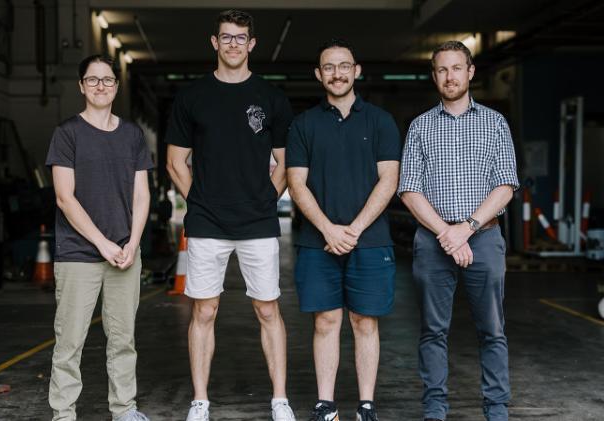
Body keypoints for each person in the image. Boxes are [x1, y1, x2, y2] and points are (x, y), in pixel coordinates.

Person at [165, 9, 296, 421]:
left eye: (241, 38)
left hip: (257, 222)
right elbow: (175, 162)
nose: (233, 44)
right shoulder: (192, 97)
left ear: (252, 44)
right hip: (207, 223)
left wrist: (264, 200)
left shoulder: (272, 98)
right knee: (204, 310)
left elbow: (285, 163)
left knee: (268, 309)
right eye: (227, 37)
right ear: (214, 42)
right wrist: (201, 201)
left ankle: (280, 400)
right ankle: (200, 402)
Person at [398, 40, 519, 421]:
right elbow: (409, 189)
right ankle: (435, 410)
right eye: (442, 70)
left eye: (456, 68)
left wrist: (466, 229)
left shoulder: (495, 123)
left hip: (483, 238)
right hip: (434, 241)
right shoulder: (420, 127)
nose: (449, 76)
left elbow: (506, 186)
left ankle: (496, 409)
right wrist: (447, 236)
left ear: (470, 73)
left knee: (492, 329)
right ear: (434, 76)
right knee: (433, 330)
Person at [286, 38, 401, 421]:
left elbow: (389, 179)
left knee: (364, 321)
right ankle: (326, 404)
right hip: (317, 243)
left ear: (357, 70)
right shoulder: (303, 124)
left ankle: (366, 405)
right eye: (329, 67)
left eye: (344, 66)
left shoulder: (380, 121)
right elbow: (295, 183)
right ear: (319, 75)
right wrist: (328, 230)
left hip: (370, 241)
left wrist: (352, 228)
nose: (337, 73)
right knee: (326, 320)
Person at [45, 54, 153, 421]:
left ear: (116, 86)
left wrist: (133, 243)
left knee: (123, 340)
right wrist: (102, 244)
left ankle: (124, 409)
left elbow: (142, 194)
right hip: (79, 254)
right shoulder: (67, 134)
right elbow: (64, 197)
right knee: (70, 340)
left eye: (107, 80)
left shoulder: (132, 135)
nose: (101, 86)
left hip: (125, 252)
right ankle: (63, 414)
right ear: (81, 86)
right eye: (93, 80)